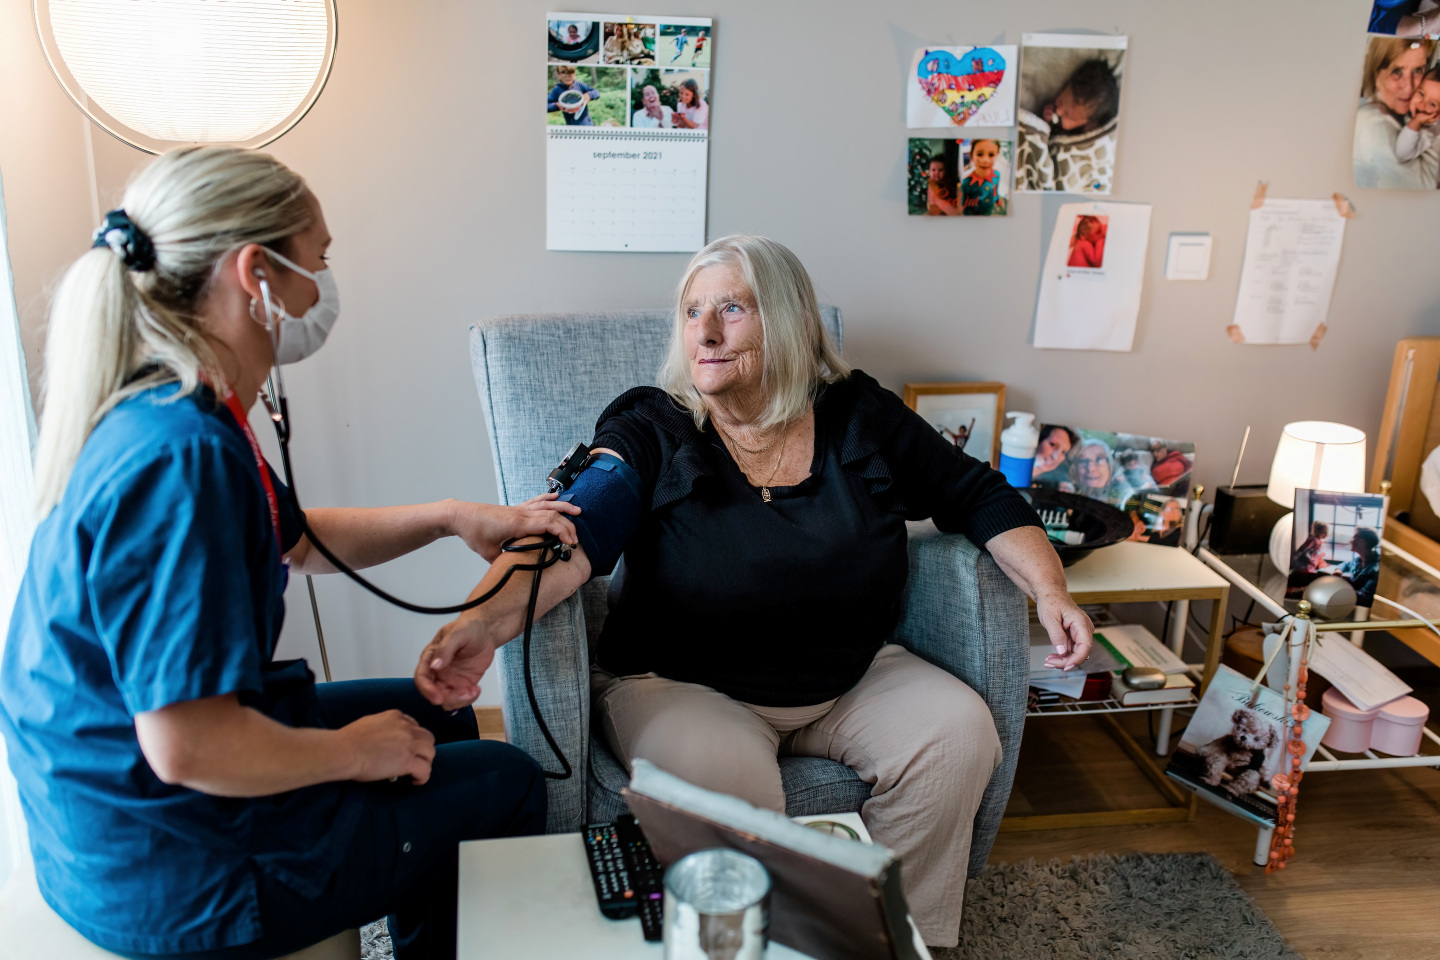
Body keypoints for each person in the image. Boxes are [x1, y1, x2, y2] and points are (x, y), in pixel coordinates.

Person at [412, 235, 1095, 949]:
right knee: (725, 781)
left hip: (849, 677)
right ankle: (759, 946)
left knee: (957, 735)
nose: (704, 333)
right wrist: (478, 625)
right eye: (692, 312)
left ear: (789, 322)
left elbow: (977, 493)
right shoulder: (653, 426)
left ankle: (891, 939)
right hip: (682, 684)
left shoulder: (858, 414)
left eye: (732, 309)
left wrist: (1050, 591)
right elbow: (571, 533)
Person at [0, 147, 570, 959]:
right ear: (256, 275)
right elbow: (185, 744)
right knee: (503, 781)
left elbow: (297, 539)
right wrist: (353, 753)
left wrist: (451, 517)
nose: (323, 289)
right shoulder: (183, 459)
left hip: (124, 804)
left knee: (441, 717)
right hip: (168, 860)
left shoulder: (183, 409)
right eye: (319, 261)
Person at [1016, 58, 1121, 193]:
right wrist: (1046, 122)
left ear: (1089, 127)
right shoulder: (1059, 117)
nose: (1058, 111)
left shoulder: (1090, 147)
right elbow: (1045, 141)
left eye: (1068, 115)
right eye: (1060, 102)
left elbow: (1098, 183)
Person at [1353, 37, 1439, 189]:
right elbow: (1421, 188)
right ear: (1375, 73)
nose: (1409, 87)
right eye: (1397, 71)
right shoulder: (1372, 121)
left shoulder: (1411, 114)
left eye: (1418, 70)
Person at [1064, 438, 1133, 507]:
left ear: (1109, 467)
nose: (1090, 468)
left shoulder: (1124, 498)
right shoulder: (1066, 496)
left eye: (1099, 459)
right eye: (1083, 460)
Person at [1396, 66, 1440, 164]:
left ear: (1438, 115)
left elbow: (1402, 153)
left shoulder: (1429, 131)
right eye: (1421, 94)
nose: (1422, 104)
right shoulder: (1405, 101)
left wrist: (1416, 122)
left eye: (1432, 104)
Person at [960, 139, 1006, 215]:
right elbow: (964, 205)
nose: (985, 160)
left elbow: (995, 189)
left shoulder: (997, 175)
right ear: (971, 156)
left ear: (997, 155)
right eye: (980, 154)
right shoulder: (967, 183)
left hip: (991, 211)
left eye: (991, 155)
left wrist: (997, 199)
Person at [1336, 528, 1381, 605]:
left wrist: (1339, 592)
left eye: (1353, 538)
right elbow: (1345, 564)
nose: (1350, 541)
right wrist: (1339, 570)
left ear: (1362, 542)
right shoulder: (1357, 561)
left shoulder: (1376, 569)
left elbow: (1365, 596)